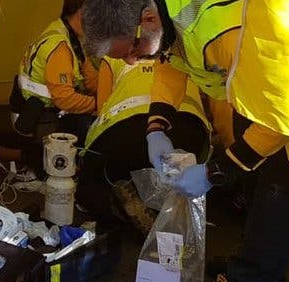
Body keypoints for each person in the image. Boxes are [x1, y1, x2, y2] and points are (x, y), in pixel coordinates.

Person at [81, 0, 289, 282]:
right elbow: (171, 58)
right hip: (261, 71)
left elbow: (287, 117)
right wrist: (156, 126)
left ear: (147, 20)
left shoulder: (222, 36)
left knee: (277, 180)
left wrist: (214, 171)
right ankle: (263, 268)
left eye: (132, 52)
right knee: (253, 171)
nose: (133, 63)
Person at [75, 56, 209, 224]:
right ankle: (166, 210)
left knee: (94, 183)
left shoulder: (113, 55)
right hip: (188, 128)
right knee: (178, 180)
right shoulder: (179, 47)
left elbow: (103, 106)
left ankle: (120, 206)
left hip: (125, 130)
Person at [9, 0, 101, 146]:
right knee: (93, 130)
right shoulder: (60, 47)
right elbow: (65, 99)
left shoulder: (68, 35)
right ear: (83, 14)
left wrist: (110, 90)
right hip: (42, 115)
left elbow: (90, 77)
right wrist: (99, 104)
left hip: (42, 109)